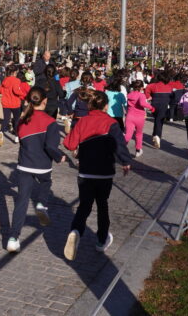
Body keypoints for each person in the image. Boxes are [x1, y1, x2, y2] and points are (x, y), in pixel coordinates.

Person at [62, 89, 131, 260]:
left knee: (84, 206)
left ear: (89, 105)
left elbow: (69, 144)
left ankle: (76, 230)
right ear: (106, 106)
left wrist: (78, 147)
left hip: (85, 172)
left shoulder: (82, 121)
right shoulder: (111, 123)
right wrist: (126, 161)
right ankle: (101, 241)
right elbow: (119, 145)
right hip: (104, 173)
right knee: (102, 206)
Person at [6, 87, 65, 253]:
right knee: (46, 182)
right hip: (43, 166)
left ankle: (13, 238)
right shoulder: (50, 122)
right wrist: (59, 156)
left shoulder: (22, 120)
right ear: (45, 101)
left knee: (22, 201)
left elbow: (20, 136)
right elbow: (51, 146)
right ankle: (41, 204)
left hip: (24, 165)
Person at [0, 64, 26, 146]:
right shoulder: (16, 80)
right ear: (14, 72)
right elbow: (16, 91)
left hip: (5, 103)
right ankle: (17, 137)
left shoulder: (5, 80)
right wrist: (23, 95)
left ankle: (1, 131)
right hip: (15, 103)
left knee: (6, 119)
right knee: (16, 120)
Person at [125, 80, 155, 158]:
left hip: (129, 116)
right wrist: (151, 108)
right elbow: (142, 103)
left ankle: (121, 146)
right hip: (139, 117)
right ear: (142, 88)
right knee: (139, 134)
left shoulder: (129, 94)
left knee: (128, 134)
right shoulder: (141, 95)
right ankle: (138, 150)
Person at [144, 71, 173, 149]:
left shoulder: (153, 85)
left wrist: (148, 96)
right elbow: (173, 96)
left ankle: (154, 135)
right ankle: (157, 136)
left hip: (154, 105)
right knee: (159, 122)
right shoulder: (169, 87)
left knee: (157, 120)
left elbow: (147, 88)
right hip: (164, 105)